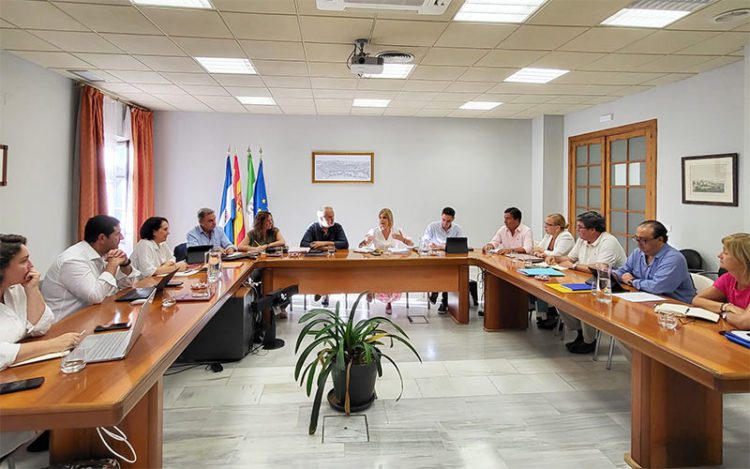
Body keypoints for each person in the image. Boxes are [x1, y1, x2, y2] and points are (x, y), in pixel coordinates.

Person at [0, 234, 82, 469]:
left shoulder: (15, 290)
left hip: (14, 375)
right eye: (24, 261)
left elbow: (41, 326)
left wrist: (32, 289)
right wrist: (53, 345)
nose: (32, 265)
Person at [546, 211, 626, 354]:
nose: (577, 230)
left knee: (585, 302)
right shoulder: (582, 240)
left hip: (609, 286)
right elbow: (570, 259)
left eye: (580, 227)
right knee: (559, 296)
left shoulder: (608, 242)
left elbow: (600, 269)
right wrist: (555, 259)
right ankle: (580, 333)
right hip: (586, 281)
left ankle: (589, 340)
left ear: (593, 229)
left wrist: (575, 266)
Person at [42, 215, 140, 322]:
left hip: (91, 317)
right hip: (64, 326)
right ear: (102, 238)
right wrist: (112, 265)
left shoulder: (101, 255)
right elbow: (95, 296)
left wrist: (125, 264)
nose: (122, 237)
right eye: (117, 234)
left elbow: (127, 286)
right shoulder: (73, 260)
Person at [614, 220, 696, 303]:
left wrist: (632, 281)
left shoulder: (673, 259)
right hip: (648, 299)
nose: (638, 243)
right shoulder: (638, 253)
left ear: (660, 240)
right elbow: (623, 272)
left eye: (643, 240)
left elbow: (657, 287)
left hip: (677, 305)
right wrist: (608, 273)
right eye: (636, 239)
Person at [358, 208, 414, 314]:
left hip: (392, 262)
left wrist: (402, 239)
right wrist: (365, 242)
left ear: (390, 220)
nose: (381, 220)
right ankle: (371, 291)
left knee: (393, 275)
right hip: (377, 262)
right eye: (380, 217)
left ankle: (389, 302)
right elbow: (361, 246)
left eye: (384, 217)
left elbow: (411, 244)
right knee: (375, 273)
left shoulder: (396, 230)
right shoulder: (373, 231)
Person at [693, 233, 750, 329]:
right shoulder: (728, 278)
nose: (719, 255)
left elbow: (744, 323)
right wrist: (726, 307)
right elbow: (697, 300)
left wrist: (725, 314)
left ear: (742, 258)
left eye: (726, 253)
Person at [532, 213, 575, 329]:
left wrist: (543, 252)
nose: (545, 227)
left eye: (548, 225)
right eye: (545, 224)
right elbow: (537, 249)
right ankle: (543, 316)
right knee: (537, 283)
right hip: (550, 267)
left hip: (565, 272)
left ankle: (551, 314)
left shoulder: (566, 237)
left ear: (558, 227)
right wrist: (542, 252)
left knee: (544, 285)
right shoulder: (549, 236)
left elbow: (556, 254)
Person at [300, 206, 349, 307]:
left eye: (333, 216)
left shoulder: (337, 227)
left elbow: (344, 244)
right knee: (321, 271)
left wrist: (322, 244)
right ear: (321, 218)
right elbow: (304, 244)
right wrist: (329, 247)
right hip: (317, 263)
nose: (332, 220)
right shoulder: (313, 227)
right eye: (329, 217)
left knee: (332, 271)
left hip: (334, 262)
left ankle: (323, 292)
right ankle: (323, 291)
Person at [422, 207, 464, 313]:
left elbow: (459, 245)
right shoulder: (433, 226)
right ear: (441, 216)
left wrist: (440, 246)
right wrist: (438, 246)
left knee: (449, 273)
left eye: (448, 221)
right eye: (443, 220)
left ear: (453, 219)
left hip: (450, 259)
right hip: (434, 259)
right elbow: (425, 241)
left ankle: (440, 297)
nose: (445, 223)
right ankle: (439, 296)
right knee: (441, 271)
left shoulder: (457, 229)